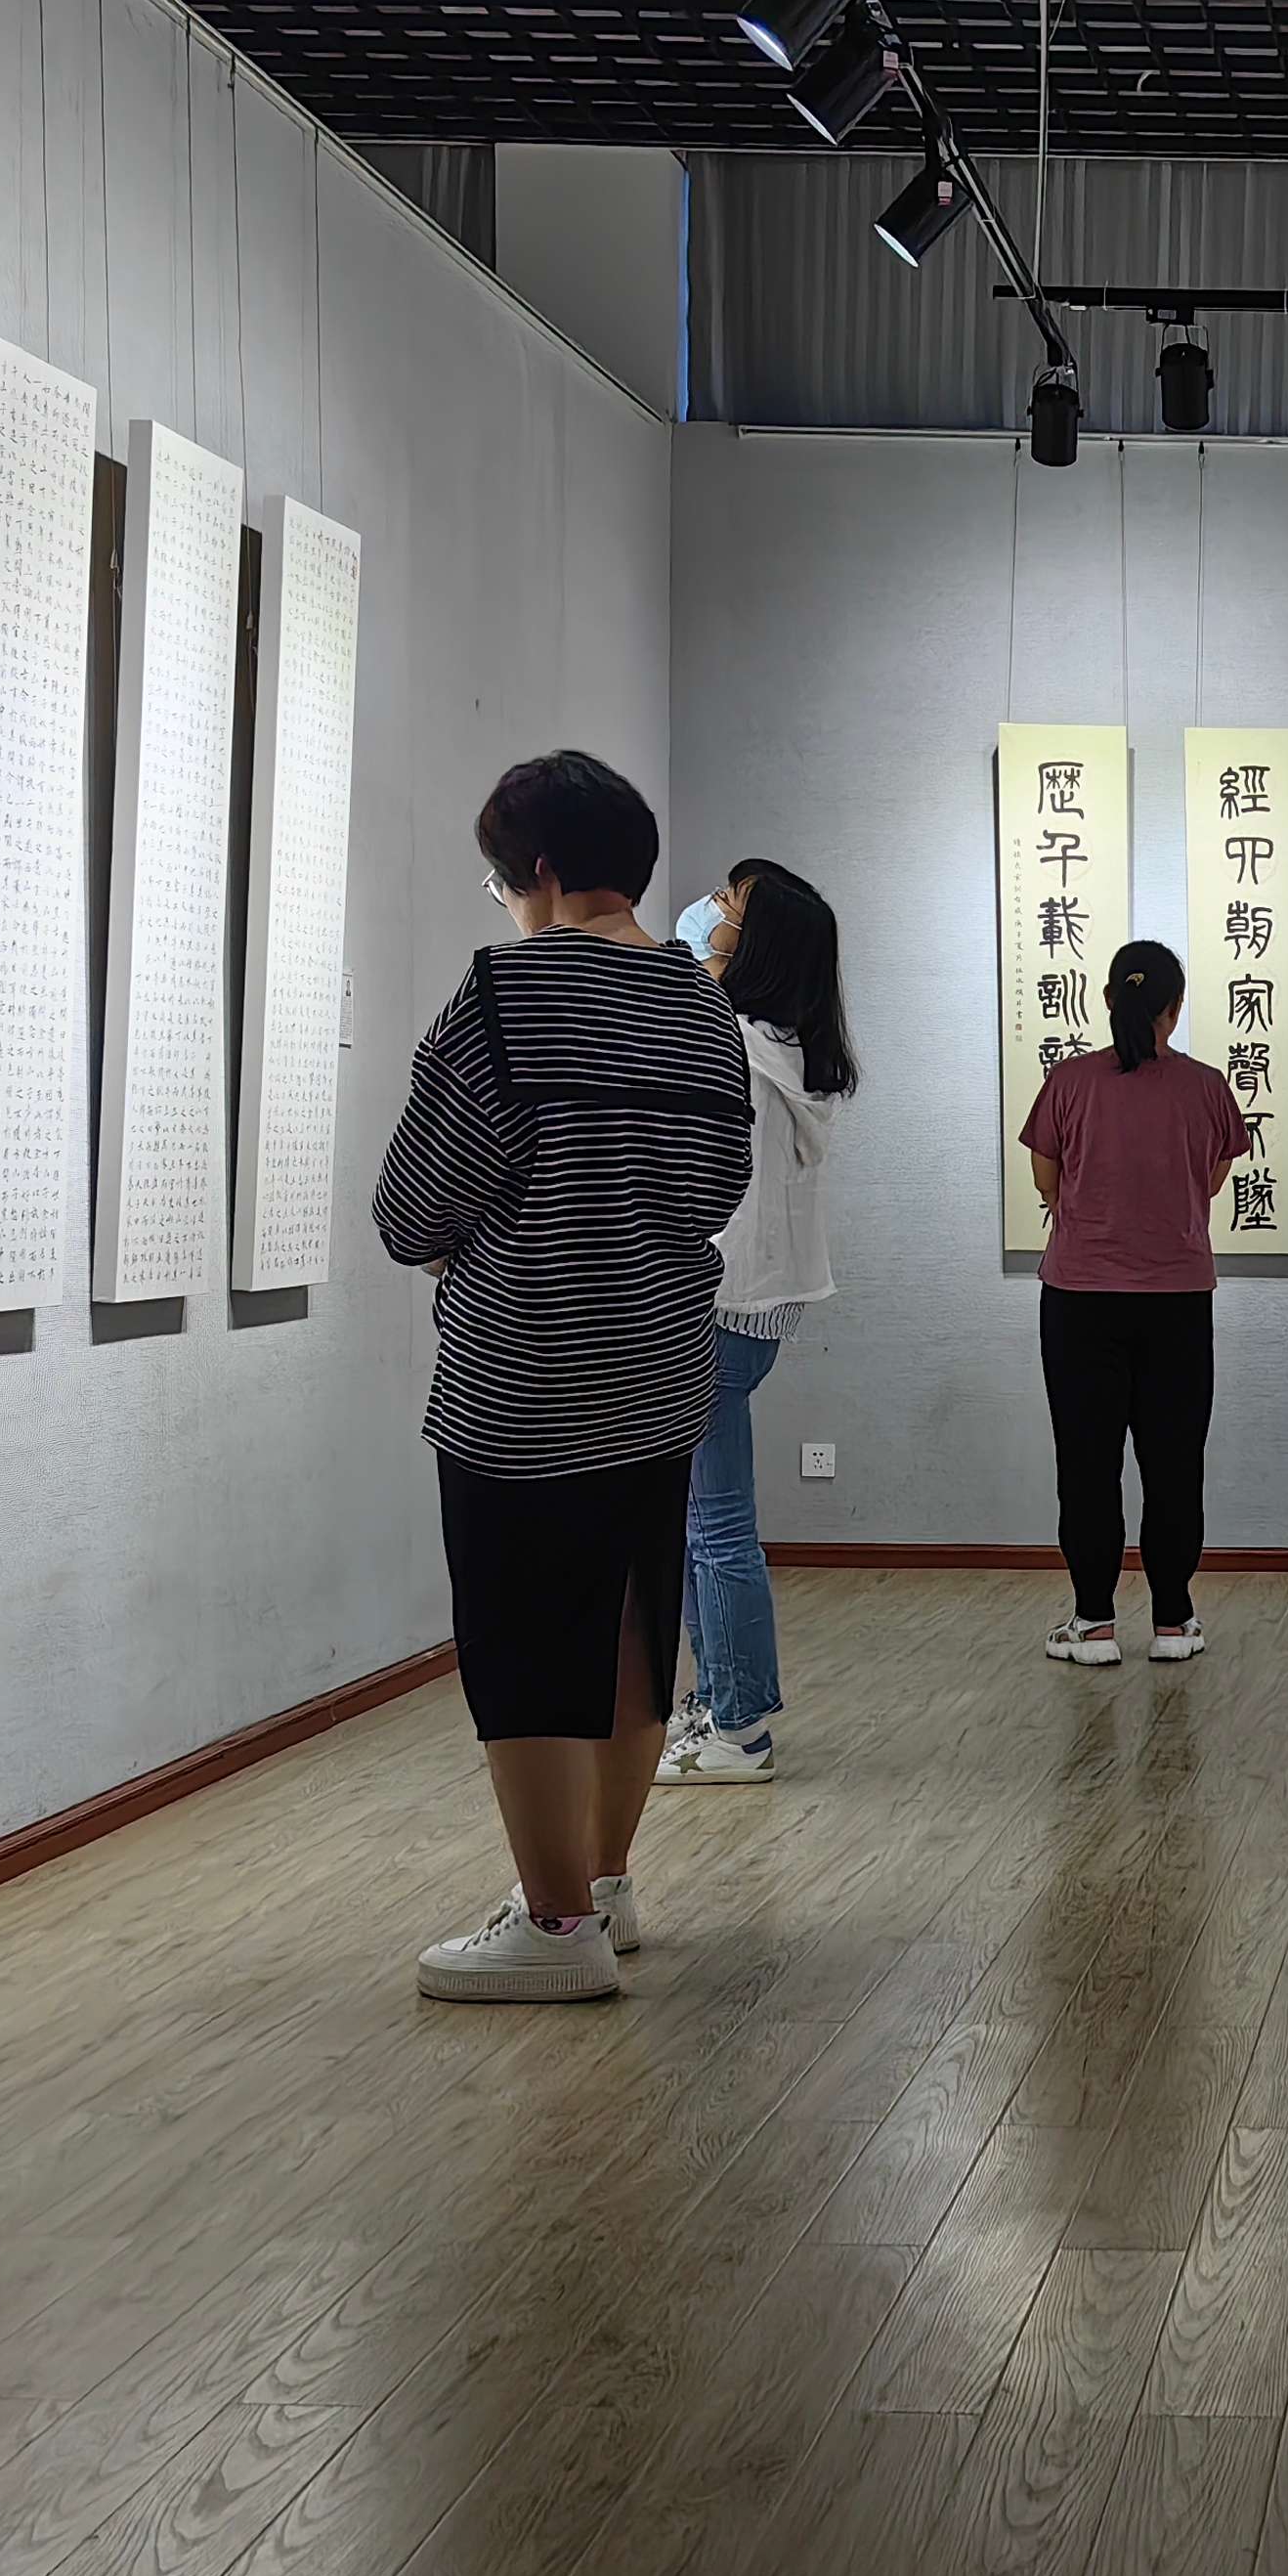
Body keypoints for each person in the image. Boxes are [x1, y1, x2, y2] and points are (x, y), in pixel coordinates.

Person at [374, 753, 751, 2001]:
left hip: (523, 1378)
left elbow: (411, 1207)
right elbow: (721, 1187)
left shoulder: (505, 990)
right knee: (636, 1629)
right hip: (661, 1367)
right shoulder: (700, 1003)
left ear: (535, 873)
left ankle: (551, 1930)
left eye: (503, 882)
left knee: (525, 1639)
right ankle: (603, 1884)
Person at [660, 859, 854, 1788]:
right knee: (702, 1522)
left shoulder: (734, 1043)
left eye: (728, 904)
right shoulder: (793, 1050)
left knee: (715, 1524)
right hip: (757, 1307)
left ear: (757, 940)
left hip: (713, 1301)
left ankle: (738, 1728)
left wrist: (696, 968)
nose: (711, 911)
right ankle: (712, 1707)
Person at [1020, 939, 1246, 1667]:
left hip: (1079, 1300)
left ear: (1108, 999)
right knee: (1175, 1461)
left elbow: (1046, 1178)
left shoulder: (1068, 1082)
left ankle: (1093, 1624)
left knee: (1086, 1462)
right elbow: (1211, 1177)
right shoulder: (1206, 1086)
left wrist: (1089, 1213)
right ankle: (1174, 1621)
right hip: (1178, 1299)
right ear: (1174, 1009)